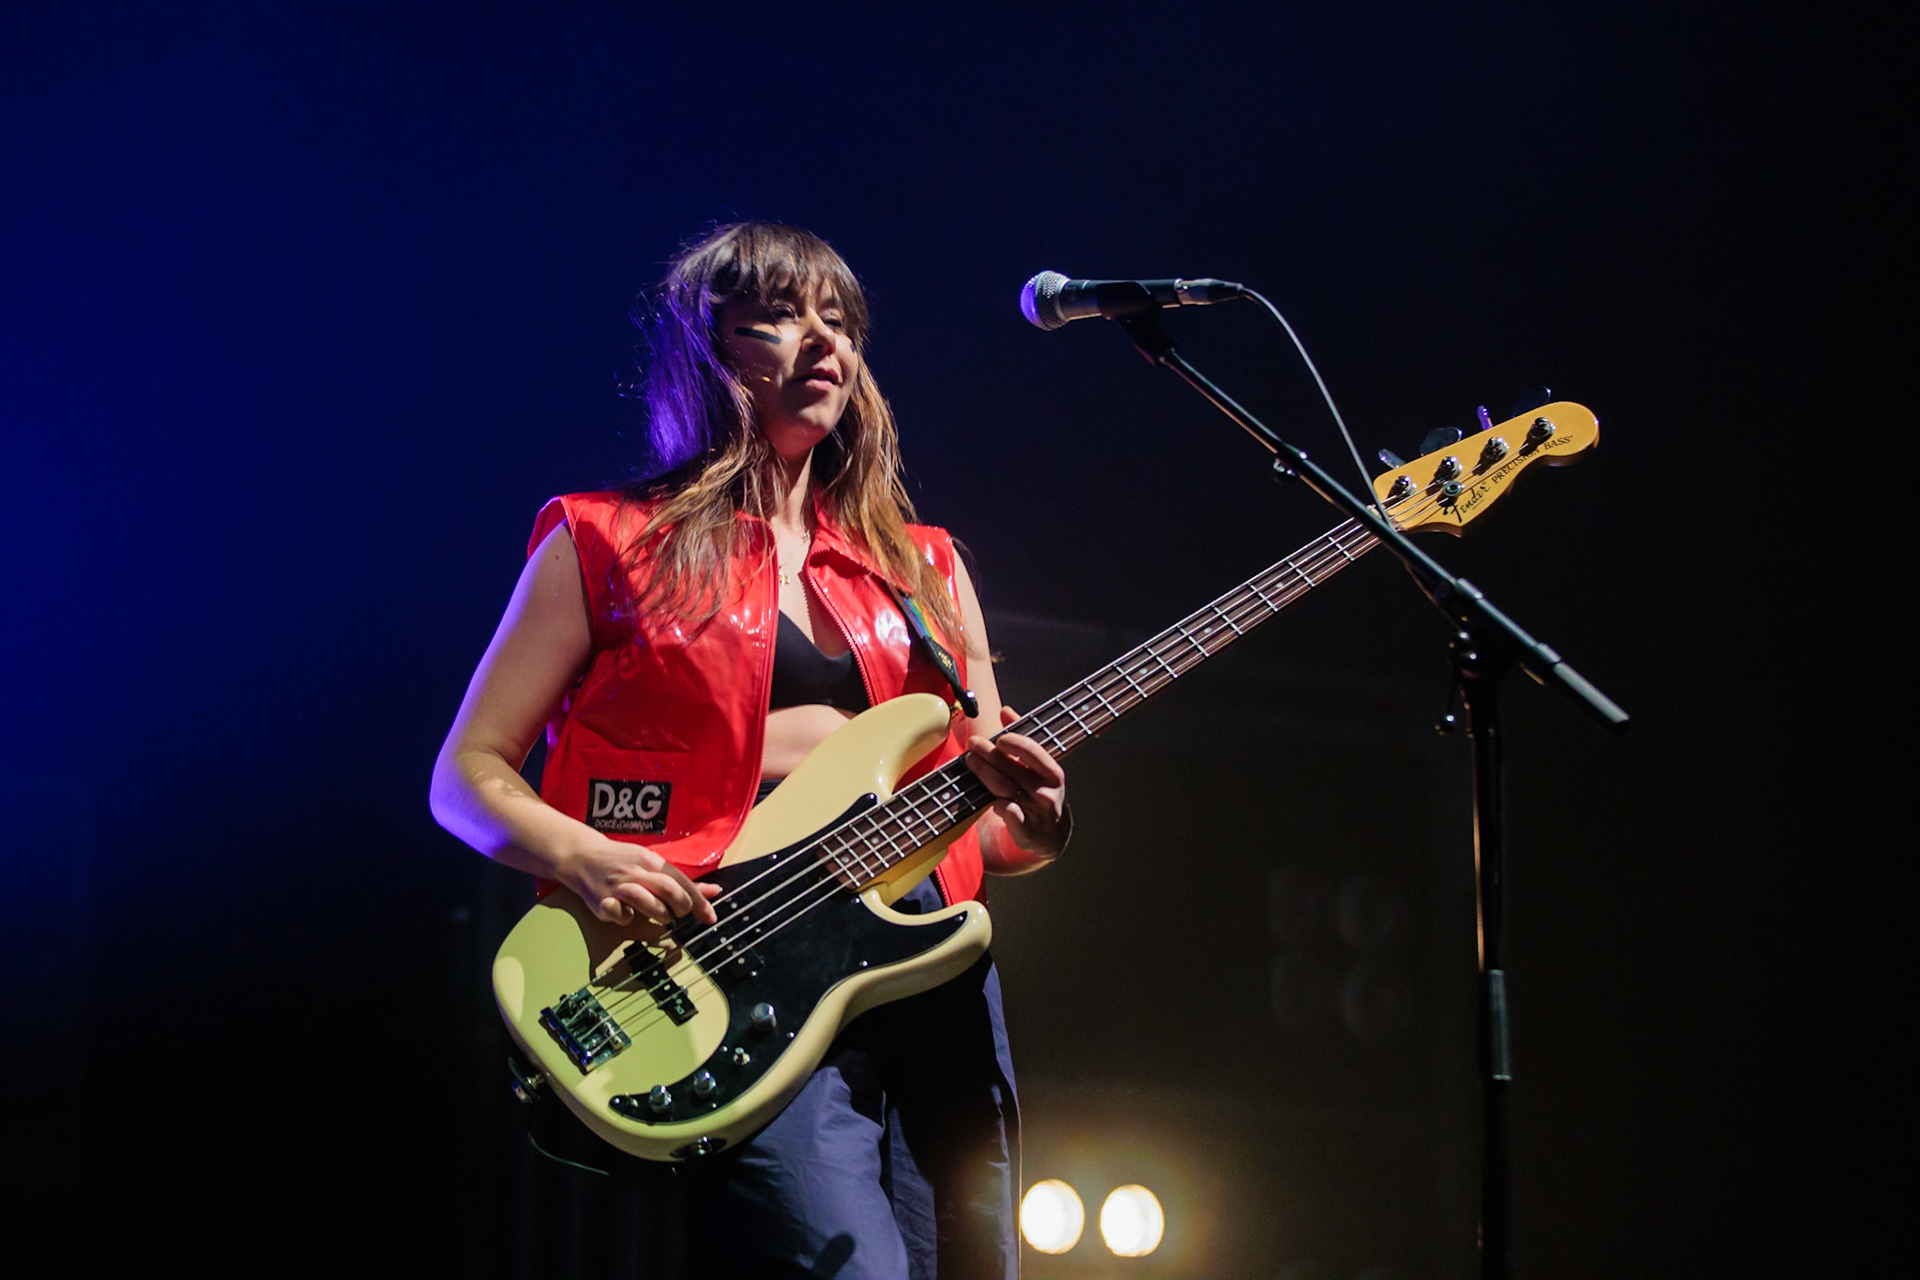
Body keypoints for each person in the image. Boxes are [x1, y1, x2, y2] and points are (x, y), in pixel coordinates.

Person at [430, 221, 1068, 1278]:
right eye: (777, 317)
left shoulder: (926, 567)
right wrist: (584, 855)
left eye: (841, 322)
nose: (823, 344)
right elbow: (467, 772)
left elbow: (993, 822)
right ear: (707, 350)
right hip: (738, 951)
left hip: (926, 960)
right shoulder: (603, 539)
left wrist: (1036, 819)